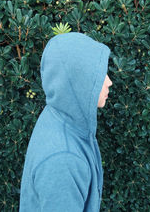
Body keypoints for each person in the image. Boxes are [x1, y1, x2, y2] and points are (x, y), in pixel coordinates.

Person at [19, 32, 113, 211]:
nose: (109, 81)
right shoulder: (64, 160)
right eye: (98, 75)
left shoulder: (59, 115)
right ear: (78, 80)